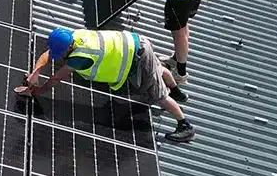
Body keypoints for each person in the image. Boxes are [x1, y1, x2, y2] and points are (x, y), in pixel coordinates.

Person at [16, 27, 196, 143]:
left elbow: (56, 78)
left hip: (137, 56)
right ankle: (176, 91)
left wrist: (36, 91)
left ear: (69, 48)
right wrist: (35, 72)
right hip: (137, 43)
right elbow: (48, 54)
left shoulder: (81, 56)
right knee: (157, 68)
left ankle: (185, 125)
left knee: (158, 95)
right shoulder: (75, 35)